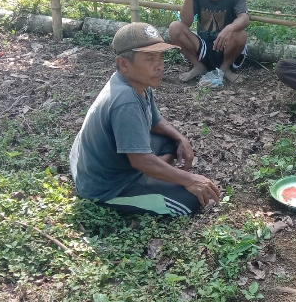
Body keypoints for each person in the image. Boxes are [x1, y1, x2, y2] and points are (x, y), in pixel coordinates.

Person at [69, 22, 220, 217]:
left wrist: (181, 138)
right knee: (191, 200)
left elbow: (156, 122)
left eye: (160, 57)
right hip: (107, 186)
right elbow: (140, 161)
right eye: (149, 59)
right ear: (124, 64)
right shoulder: (125, 100)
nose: (159, 66)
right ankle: (147, 179)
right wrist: (189, 179)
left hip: (106, 161)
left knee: (170, 141)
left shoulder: (138, 84)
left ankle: (154, 174)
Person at [169, 0, 250, 83]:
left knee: (240, 34)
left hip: (226, 47)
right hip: (202, 47)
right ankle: (198, 66)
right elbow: (185, 22)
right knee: (175, 27)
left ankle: (224, 68)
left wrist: (229, 28)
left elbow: (244, 18)